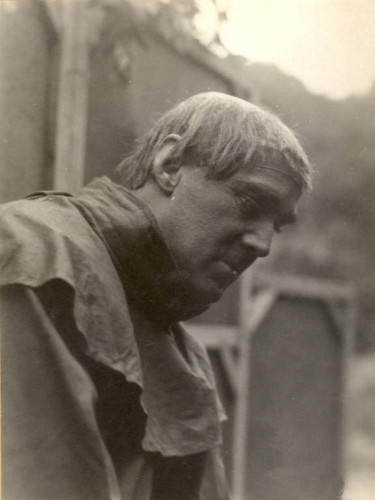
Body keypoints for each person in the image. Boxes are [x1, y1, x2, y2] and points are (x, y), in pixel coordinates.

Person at [0, 92, 312, 500]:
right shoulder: (37, 252)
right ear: (170, 165)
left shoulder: (187, 355)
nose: (264, 243)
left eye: (278, 225)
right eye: (250, 201)